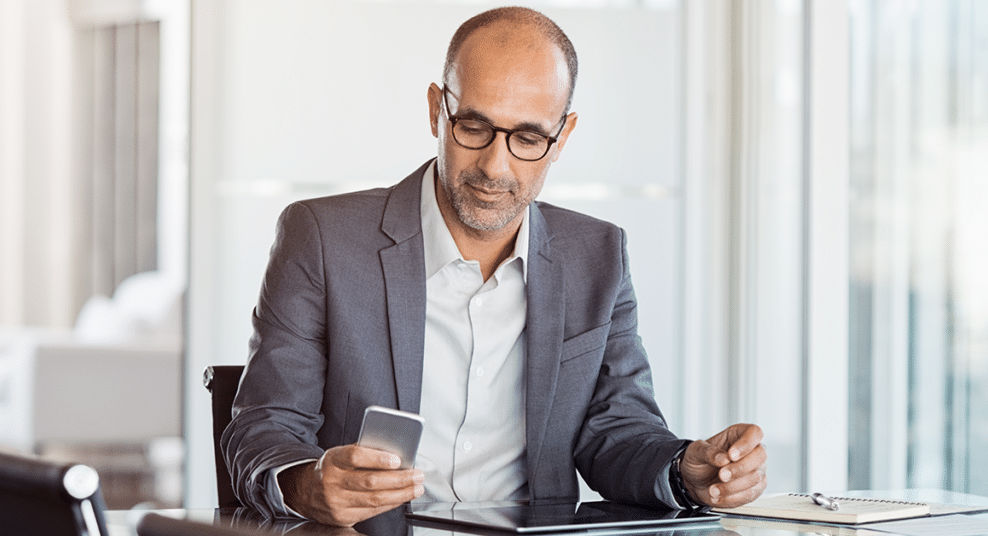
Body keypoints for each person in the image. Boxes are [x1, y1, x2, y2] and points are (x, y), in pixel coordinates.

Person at [223, 6, 767, 528]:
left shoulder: (597, 255)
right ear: (437, 109)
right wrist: (305, 482)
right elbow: (264, 427)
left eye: (528, 138)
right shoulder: (322, 239)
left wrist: (684, 469)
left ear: (563, 137)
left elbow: (617, 434)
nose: (494, 166)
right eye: (474, 127)